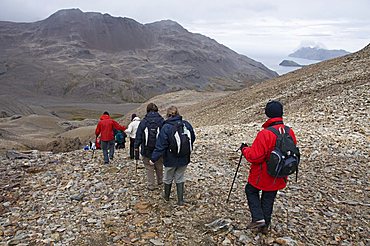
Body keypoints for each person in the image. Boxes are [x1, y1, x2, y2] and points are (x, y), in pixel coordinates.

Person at [241, 100, 297, 234]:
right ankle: (265, 225)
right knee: (269, 197)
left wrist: (244, 150)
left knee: (251, 190)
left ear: (267, 114)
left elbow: (255, 157)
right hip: (280, 173)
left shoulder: (265, 133)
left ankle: (258, 218)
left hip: (263, 174)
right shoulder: (290, 132)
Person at [150, 106, 195, 206]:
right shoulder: (186, 124)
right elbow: (193, 137)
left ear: (167, 115)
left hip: (170, 158)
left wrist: (154, 158)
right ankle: (180, 200)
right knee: (180, 177)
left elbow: (161, 145)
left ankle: (166, 197)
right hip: (184, 157)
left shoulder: (166, 127)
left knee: (168, 177)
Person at [134, 103, 165, 190]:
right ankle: (160, 181)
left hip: (146, 148)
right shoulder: (161, 121)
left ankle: (151, 185)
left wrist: (136, 146)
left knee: (149, 167)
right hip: (159, 148)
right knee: (159, 165)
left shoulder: (144, 122)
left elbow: (139, 135)